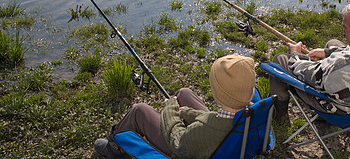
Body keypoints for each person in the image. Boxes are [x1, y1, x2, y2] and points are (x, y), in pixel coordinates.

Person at [94, 53, 256, 159]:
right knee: (184, 93)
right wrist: (187, 112)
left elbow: (177, 141)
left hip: (185, 150)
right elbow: (212, 120)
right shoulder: (257, 113)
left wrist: (170, 109)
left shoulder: (204, 131)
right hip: (227, 139)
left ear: (218, 94)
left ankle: (114, 149)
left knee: (139, 111)